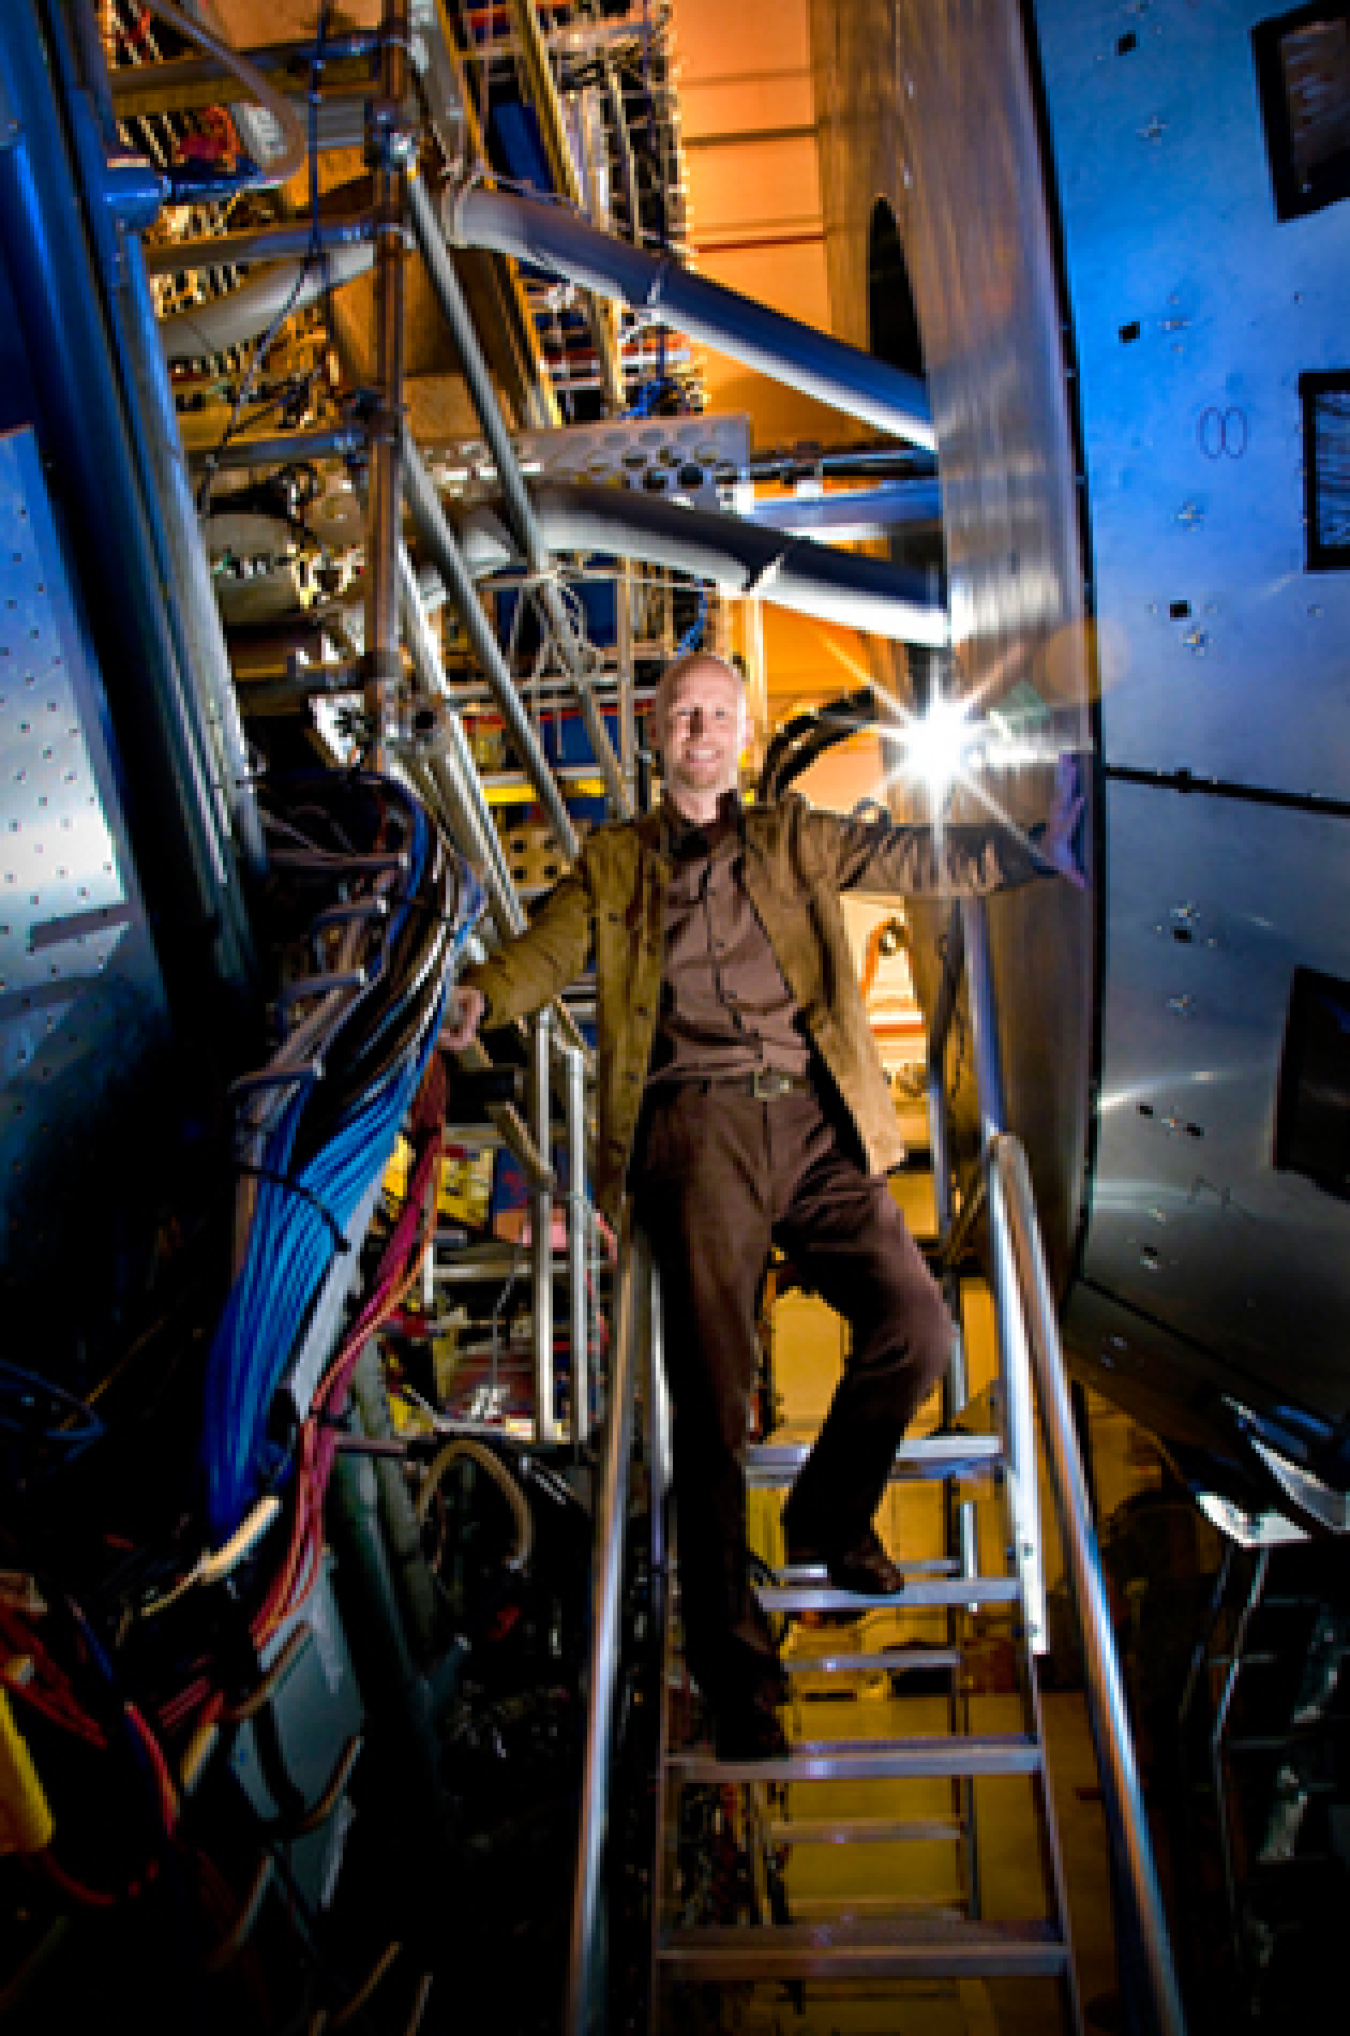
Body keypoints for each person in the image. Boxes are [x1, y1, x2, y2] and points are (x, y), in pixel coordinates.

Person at [442, 652, 1084, 1757]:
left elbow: (902, 855)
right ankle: (739, 1680)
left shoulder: (794, 834)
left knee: (920, 1325)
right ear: (658, 730)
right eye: (684, 712)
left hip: (819, 1125)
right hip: (694, 1132)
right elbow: (546, 951)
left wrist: (1025, 851)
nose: (702, 728)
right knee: (711, 1403)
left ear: (741, 733)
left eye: (720, 714)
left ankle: (828, 1513)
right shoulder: (614, 860)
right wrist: (481, 995)